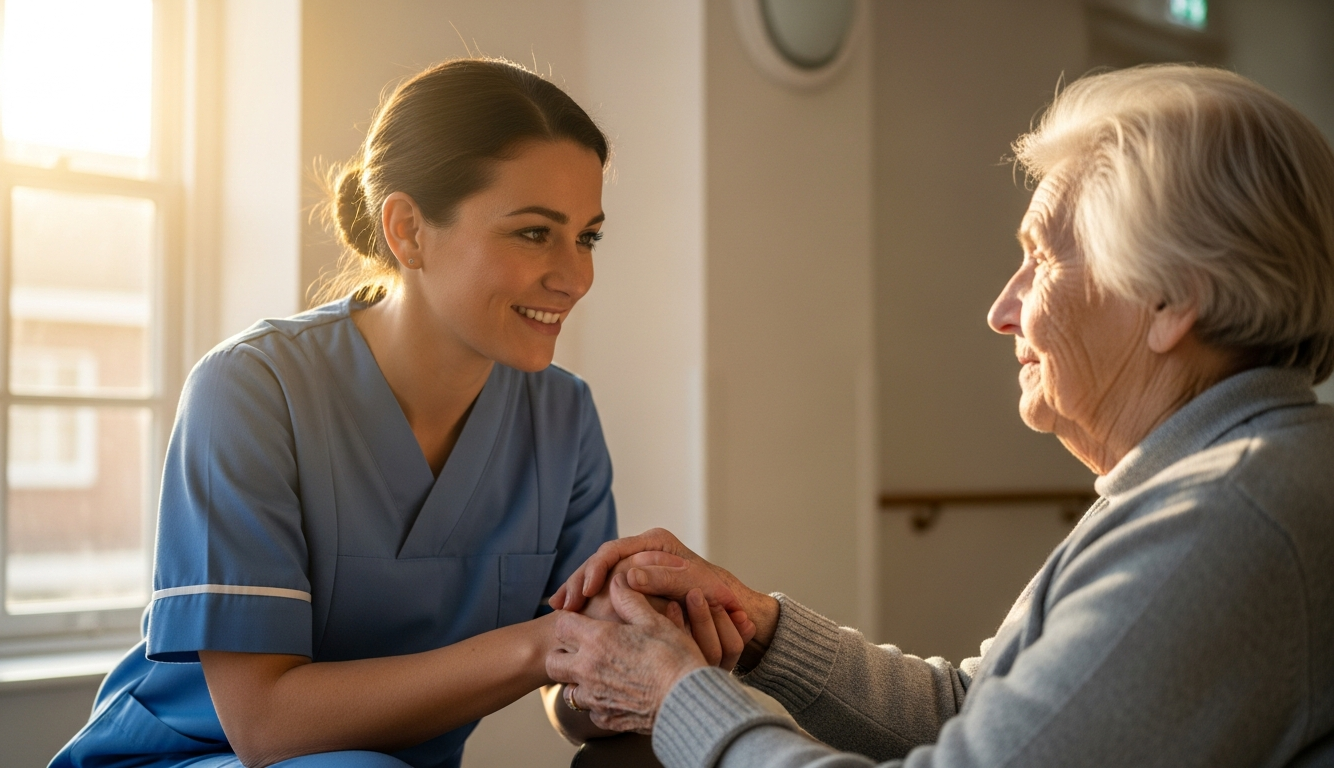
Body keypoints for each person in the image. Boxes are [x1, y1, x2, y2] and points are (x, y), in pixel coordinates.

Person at [547, 64, 1334, 768]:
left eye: (1044, 259)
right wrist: (762, 632)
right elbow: (975, 713)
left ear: (1172, 298)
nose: (1003, 309)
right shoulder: (1208, 482)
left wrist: (677, 697)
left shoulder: (1228, 516)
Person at [50, 58, 743, 768]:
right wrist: (550, 644)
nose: (576, 276)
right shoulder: (251, 390)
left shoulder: (563, 416)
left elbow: (564, 698)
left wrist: (639, 646)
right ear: (408, 229)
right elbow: (264, 724)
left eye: (587, 236)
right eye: (535, 233)